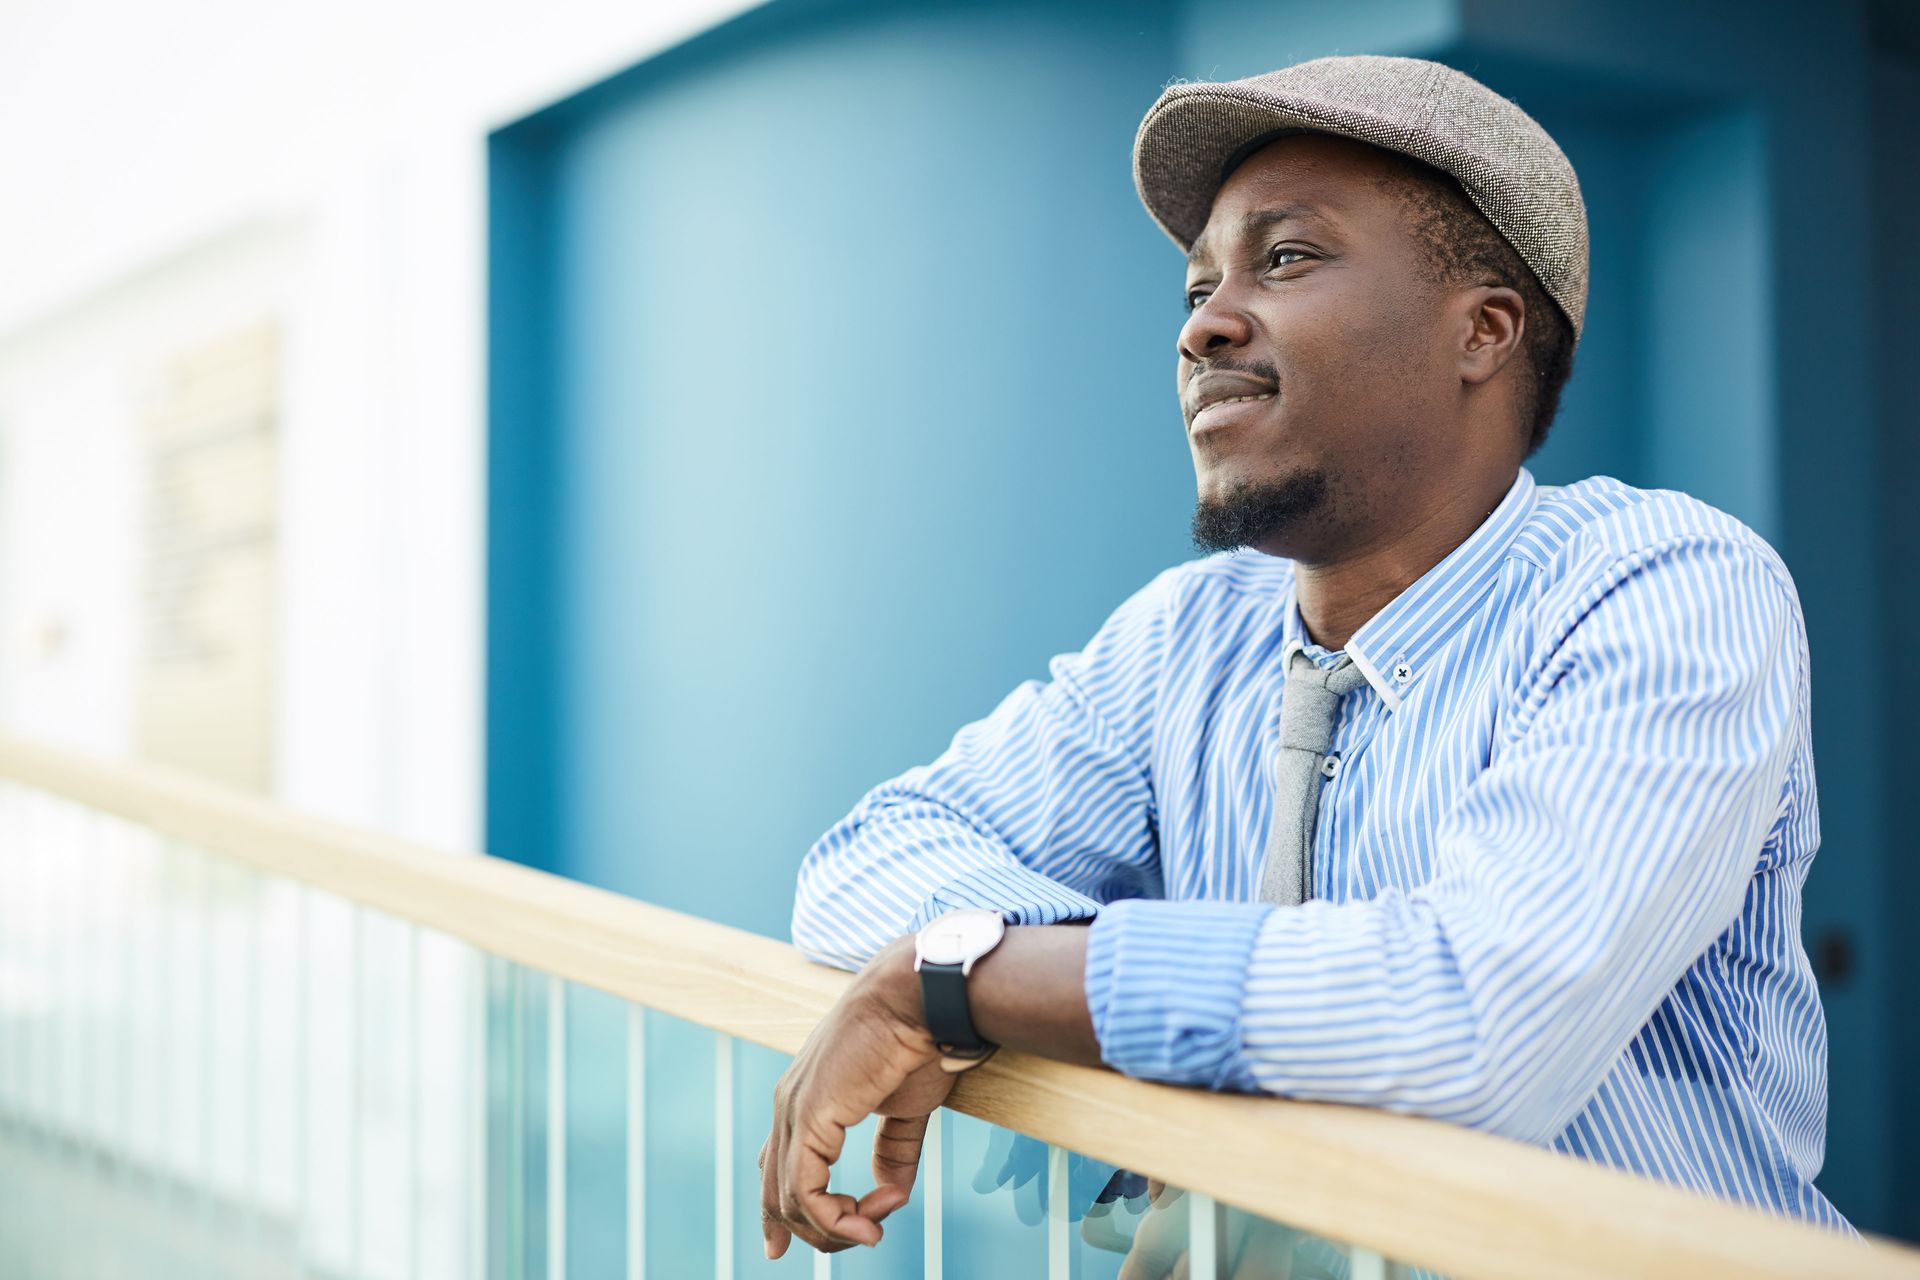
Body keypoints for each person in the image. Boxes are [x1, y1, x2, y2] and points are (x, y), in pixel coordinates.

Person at [757, 53, 1854, 1265]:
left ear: (1482, 330)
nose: (1202, 324)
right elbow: (864, 860)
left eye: (1283, 259)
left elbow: (1470, 1019)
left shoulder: (1665, 587)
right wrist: (1026, 973)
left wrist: (956, 983)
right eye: (1198, 282)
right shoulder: (1190, 633)